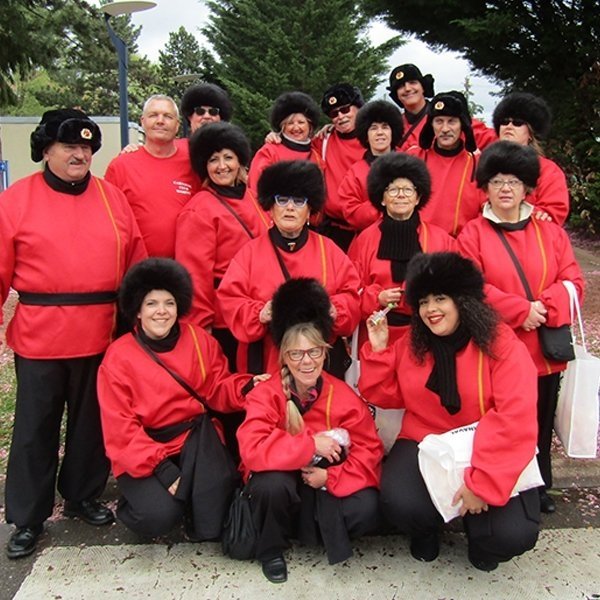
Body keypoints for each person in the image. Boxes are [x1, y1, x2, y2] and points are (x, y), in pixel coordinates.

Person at [0, 109, 147, 559]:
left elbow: (136, 260)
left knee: (91, 425)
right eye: (69, 146)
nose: (80, 154)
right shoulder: (15, 200)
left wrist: (141, 321)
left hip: (101, 333)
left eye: (86, 147)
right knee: (34, 429)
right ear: (46, 150)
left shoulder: (111, 197)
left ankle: (83, 495)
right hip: (41, 337)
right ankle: (28, 516)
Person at [360, 251, 541, 571]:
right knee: (399, 501)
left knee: (512, 534)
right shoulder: (413, 343)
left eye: (440, 298)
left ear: (462, 300)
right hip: (424, 437)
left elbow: (516, 417)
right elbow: (384, 395)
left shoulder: (500, 343)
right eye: (423, 302)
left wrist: (482, 483)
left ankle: (483, 541)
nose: (431, 310)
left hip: (484, 442)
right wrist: (377, 349)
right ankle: (426, 529)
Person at [457, 141, 584, 514]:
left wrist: (543, 307)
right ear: (486, 187)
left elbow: (573, 280)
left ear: (527, 186)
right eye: (497, 181)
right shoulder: (472, 234)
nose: (506, 189)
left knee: (539, 424)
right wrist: (518, 310)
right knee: (496, 422)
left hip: (543, 351)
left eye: (514, 181)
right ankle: (496, 481)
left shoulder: (551, 233)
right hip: (494, 349)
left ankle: (538, 483)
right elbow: (471, 285)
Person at [97, 258, 260, 540]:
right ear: (136, 310)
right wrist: (163, 471)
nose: (161, 312)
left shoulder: (199, 340)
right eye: (151, 304)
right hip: (144, 448)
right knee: (159, 517)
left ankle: (191, 493)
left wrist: (248, 387)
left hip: (194, 439)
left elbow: (217, 388)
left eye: (169, 303)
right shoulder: (118, 357)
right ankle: (138, 500)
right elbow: (121, 431)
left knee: (216, 514)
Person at [237, 277, 383, 583]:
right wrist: (309, 446)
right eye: (297, 354)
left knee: (367, 506)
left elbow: (370, 450)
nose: (307, 362)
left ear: (325, 352)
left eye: (314, 352)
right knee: (270, 485)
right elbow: (251, 449)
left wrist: (332, 476)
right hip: (283, 482)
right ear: (284, 358)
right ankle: (271, 549)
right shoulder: (267, 393)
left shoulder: (343, 394)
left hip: (320, 484)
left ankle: (311, 529)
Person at [217, 160, 361, 376]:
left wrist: (333, 309)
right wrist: (262, 313)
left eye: (299, 201)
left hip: (318, 360)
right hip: (268, 360)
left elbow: (353, 296)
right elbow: (230, 301)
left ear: (309, 208)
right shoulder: (249, 253)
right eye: (282, 200)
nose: (290, 208)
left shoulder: (328, 250)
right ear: (270, 208)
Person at [175, 122, 270, 370]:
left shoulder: (253, 197)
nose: (222, 166)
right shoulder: (199, 209)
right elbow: (195, 274)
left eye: (228, 157)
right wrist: (201, 324)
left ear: (240, 160)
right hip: (224, 318)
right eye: (213, 160)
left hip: (259, 309)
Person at [349, 153, 454, 345]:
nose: (401, 195)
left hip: (429, 334)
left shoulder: (441, 240)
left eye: (408, 189)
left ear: (417, 198)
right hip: (377, 334)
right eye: (393, 189)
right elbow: (351, 292)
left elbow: (455, 291)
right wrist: (377, 298)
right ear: (381, 199)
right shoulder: (364, 240)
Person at [105, 94, 201, 257]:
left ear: (177, 125)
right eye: (153, 115)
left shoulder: (194, 162)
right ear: (142, 122)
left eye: (168, 116)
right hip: (138, 268)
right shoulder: (121, 166)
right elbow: (108, 221)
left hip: (183, 267)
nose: (160, 121)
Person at [406, 91, 485, 237]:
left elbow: (487, 209)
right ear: (431, 125)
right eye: (439, 121)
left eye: (452, 121)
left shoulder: (478, 163)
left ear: (463, 124)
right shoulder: (413, 158)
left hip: (461, 244)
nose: (445, 129)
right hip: (418, 242)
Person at [492, 92, 569, 225]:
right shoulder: (485, 166)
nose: (509, 126)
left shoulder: (548, 170)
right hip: (488, 239)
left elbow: (553, 213)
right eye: (504, 122)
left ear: (530, 133)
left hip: (531, 240)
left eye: (517, 122)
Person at [387, 63, 496, 152]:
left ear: (423, 87)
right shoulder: (392, 127)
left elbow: (493, 139)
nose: (407, 88)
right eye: (400, 86)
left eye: (413, 82)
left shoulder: (448, 116)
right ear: (396, 94)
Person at [313, 83, 366, 251]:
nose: (340, 117)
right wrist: (277, 135)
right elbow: (294, 146)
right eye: (334, 114)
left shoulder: (374, 139)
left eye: (345, 110)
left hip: (366, 228)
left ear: (358, 108)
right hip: (333, 229)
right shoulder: (324, 140)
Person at [339, 100, 404, 233]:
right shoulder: (355, 172)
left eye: (385, 127)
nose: (380, 132)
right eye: (373, 128)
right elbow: (351, 212)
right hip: (371, 237)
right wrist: (386, 204)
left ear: (393, 132)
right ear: (366, 136)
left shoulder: (409, 165)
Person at [248, 91, 323, 197]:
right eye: (290, 123)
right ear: (282, 126)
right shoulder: (270, 151)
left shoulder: (317, 155)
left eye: (301, 122)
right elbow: (256, 190)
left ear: (310, 125)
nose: (296, 128)